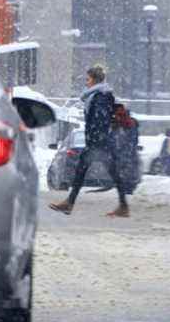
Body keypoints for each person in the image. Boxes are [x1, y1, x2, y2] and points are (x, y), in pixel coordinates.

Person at [49, 65, 129, 217]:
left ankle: (69, 203)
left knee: (83, 171)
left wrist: (94, 140)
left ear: (94, 80)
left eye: (88, 79)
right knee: (110, 173)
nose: (86, 83)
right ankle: (123, 205)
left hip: (98, 142)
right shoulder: (100, 95)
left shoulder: (99, 96)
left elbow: (99, 121)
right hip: (101, 141)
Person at [111, 103, 140, 197]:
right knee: (126, 170)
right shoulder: (124, 124)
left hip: (125, 152)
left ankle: (127, 187)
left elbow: (132, 139)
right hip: (125, 152)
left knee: (126, 170)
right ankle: (127, 187)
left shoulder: (128, 124)